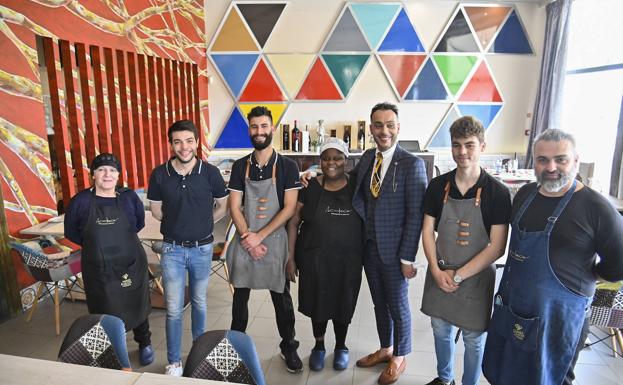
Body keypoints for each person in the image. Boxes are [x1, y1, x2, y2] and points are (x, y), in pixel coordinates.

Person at [482, 129, 623, 385]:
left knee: (550, 377)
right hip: (513, 307)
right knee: (504, 372)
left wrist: (590, 276)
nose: (551, 167)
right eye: (542, 160)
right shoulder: (525, 195)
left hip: (558, 316)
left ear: (576, 161)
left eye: (561, 159)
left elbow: (619, 264)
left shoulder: (597, 208)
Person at [302, 102, 427, 384]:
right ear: (371, 129)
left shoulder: (412, 164)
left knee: (398, 304)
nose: (384, 131)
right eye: (379, 125)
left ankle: (399, 357)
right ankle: (386, 348)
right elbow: (342, 175)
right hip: (369, 247)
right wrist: (311, 171)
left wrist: (408, 258)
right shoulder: (370, 157)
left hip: (396, 252)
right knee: (379, 304)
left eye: (390, 125)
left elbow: (415, 216)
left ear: (398, 127)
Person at [420, 117, 511, 385]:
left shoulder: (497, 192)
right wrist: (436, 271)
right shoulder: (438, 186)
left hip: (476, 277)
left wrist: (458, 276)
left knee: (473, 339)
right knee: (440, 329)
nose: (462, 152)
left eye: (469, 145)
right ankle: (444, 378)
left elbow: (497, 247)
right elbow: (427, 231)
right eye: (457, 145)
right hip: (440, 272)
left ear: (482, 146)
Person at [147, 120, 229, 376]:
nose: (184, 147)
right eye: (177, 141)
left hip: (202, 249)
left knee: (200, 303)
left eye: (189, 141)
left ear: (196, 142)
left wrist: (203, 224)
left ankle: (198, 354)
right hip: (171, 250)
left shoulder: (211, 173)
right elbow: (157, 211)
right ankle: (174, 361)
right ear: (171, 144)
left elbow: (222, 206)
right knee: (173, 309)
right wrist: (179, 223)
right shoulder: (160, 174)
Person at [225, 106, 303, 373]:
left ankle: (289, 347)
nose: (259, 131)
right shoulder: (239, 166)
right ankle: (235, 348)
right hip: (246, 239)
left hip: (274, 241)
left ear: (272, 129)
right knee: (240, 299)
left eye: (263, 126)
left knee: (282, 299)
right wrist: (249, 237)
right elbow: (235, 206)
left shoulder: (287, 166)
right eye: (254, 127)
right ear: (249, 130)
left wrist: (260, 236)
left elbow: (289, 207)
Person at [64, 153, 153, 369]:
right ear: (92, 174)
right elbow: (72, 233)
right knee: (104, 308)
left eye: (112, 170)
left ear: (118, 175)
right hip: (98, 267)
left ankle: (145, 343)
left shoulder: (129, 197)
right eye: (102, 169)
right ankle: (113, 348)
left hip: (130, 261)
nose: (107, 174)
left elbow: (138, 223)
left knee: (137, 303)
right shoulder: (81, 201)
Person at [286, 138, 363, 372]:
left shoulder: (357, 186)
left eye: (337, 158)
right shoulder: (309, 188)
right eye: (326, 158)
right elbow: (293, 223)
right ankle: (319, 347)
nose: (331, 163)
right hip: (314, 258)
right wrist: (290, 258)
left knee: (344, 302)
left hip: (348, 260)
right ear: (320, 161)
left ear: (346, 161)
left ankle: (341, 347)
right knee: (317, 303)